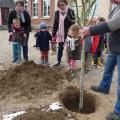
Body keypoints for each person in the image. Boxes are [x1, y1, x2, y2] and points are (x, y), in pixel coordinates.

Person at [81, 0, 120, 119]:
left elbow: (113, 24)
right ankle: (104, 87)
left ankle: (118, 112)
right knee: (107, 69)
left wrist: (91, 30)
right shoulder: (116, 7)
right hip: (114, 49)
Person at [52, 0, 75, 66]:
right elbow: (55, 24)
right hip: (60, 34)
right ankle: (58, 61)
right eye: (60, 5)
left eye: (63, 4)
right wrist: (53, 34)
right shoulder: (57, 12)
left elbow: (73, 24)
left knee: (69, 48)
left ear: (66, 4)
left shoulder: (71, 12)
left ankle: (70, 63)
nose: (62, 6)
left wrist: (71, 33)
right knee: (60, 48)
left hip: (69, 33)